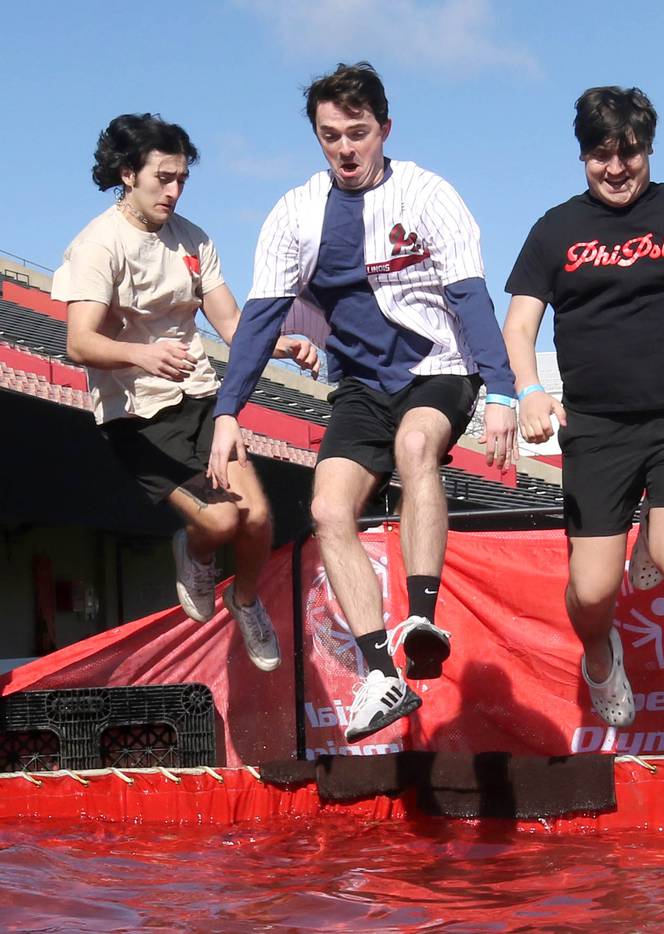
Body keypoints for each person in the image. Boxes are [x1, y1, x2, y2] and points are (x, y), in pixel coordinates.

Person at [208, 62, 518, 742]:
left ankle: (425, 617)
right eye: (329, 136)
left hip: (441, 368)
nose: (345, 149)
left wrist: (501, 390)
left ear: (385, 129)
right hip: (362, 387)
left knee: (416, 447)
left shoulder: (429, 196)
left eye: (357, 133)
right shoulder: (296, 213)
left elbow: (470, 297)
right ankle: (382, 676)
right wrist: (229, 409)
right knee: (325, 508)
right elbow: (261, 317)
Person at [503, 86, 664, 728]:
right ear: (583, 155)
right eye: (601, 155)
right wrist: (530, 389)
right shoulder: (554, 229)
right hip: (597, 428)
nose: (615, 169)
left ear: (648, 149)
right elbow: (518, 325)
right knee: (591, 593)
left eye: (630, 154)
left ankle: (653, 530)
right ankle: (600, 655)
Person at [53, 113, 319, 671]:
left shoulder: (193, 239)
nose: (174, 191)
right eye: (163, 178)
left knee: (258, 519)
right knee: (221, 522)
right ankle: (192, 547)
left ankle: (244, 601)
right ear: (128, 173)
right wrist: (141, 354)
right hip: (135, 414)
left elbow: (230, 325)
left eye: (181, 179)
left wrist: (281, 341)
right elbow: (79, 343)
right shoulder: (99, 245)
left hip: (199, 395)